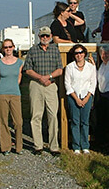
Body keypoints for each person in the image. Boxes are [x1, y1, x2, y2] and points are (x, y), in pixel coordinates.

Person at [23, 26, 63, 156]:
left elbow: (60, 69)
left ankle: (54, 146)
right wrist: (40, 77)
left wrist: (49, 77)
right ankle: (38, 145)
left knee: (52, 115)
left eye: (47, 36)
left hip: (51, 85)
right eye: (42, 36)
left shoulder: (55, 50)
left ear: (51, 36)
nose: (45, 38)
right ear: (39, 37)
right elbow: (27, 69)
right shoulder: (33, 50)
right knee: (36, 115)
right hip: (36, 85)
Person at [64, 44, 96, 154]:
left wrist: (87, 98)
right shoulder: (69, 67)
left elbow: (93, 83)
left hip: (87, 96)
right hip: (73, 97)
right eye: (77, 53)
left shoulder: (91, 67)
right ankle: (76, 146)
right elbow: (67, 84)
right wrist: (76, 99)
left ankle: (85, 146)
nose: (79, 55)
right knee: (75, 122)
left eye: (81, 52)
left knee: (85, 122)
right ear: (74, 55)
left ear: (85, 54)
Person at [0, 39, 24, 155]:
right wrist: (3, 87)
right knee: (3, 120)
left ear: (13, 47)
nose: (8, 49)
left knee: (18, 121)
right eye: (5, 47)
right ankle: (5, 146)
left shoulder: (19, 62)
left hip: (15, 94)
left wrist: (13, 86)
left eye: (10, 47)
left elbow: (19, 77)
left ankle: (18, 147)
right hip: (1, 93)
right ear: (3, 49)